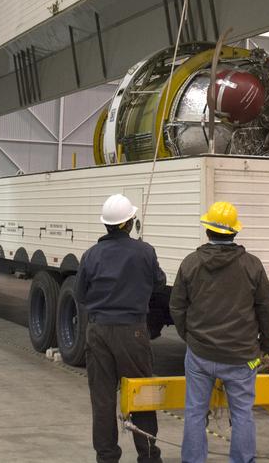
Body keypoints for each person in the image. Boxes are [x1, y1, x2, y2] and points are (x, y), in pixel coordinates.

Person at [170, 201, 269, 463]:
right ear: (235, 233)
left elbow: (177, 306)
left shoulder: (191, 263)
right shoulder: (252, 265)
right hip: (243, 357)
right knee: (242, 415)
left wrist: (190, 337)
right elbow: (265, 309)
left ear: (207, 230)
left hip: (200, 355)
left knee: (195, 412)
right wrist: (268, 347)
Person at [78, 193, 166, 463]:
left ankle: (106, 457)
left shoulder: (91, 255)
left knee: (102, 399)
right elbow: (159, 284)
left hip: (99, 331)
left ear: (105, 225)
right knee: (141, 394)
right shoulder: (145, 251)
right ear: (130, 223)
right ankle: (148, 456)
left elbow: (81, 295)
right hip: (133, 331)